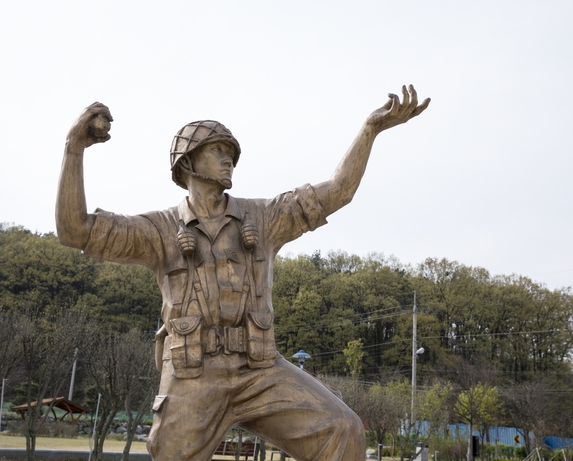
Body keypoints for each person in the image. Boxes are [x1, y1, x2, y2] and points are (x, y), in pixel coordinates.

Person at [56, 85, 430, 461]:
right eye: (217, 150)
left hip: (258, 368)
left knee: (344, 429)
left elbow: (338, 191)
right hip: (193, 375)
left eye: (231, 153)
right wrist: (75, 147)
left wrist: (370, 129)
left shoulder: (263, 217)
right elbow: (74, 231)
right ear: (187, 163)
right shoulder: (159, 230)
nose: (228, 159)